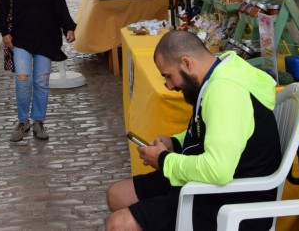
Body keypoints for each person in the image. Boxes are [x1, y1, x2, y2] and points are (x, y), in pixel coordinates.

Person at [104, 30, 281, 231]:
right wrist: (176, 143)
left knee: (119, 225)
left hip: (235, 200)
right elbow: (214, 130)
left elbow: (218, 170)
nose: (169, 85)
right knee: (117, 195)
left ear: (187, 63)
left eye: (168, 76)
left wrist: (164, 161)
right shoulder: (218, 71)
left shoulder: (226, 91)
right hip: (210, 186)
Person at [0, 0, 76, 142]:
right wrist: (5, 33)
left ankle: (39, 121)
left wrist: (69, 27)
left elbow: (59, 6)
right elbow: (2, 8)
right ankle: (23, 121)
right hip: (20, 39)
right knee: (23, 79)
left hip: (45, 38)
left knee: (41, 81)